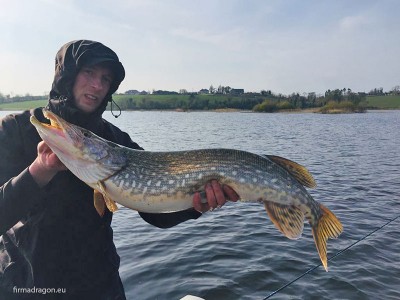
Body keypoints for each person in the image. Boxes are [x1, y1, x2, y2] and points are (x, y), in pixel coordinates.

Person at [0, 40, 239, 299]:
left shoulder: (115, 141)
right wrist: (40, 170)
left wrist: (197, 203)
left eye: (105, 79)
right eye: (89, 73)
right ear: (66, 75)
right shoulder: (16, 129)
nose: (97, 85)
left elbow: (155, 214)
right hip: (28, 285)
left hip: (100, 286)